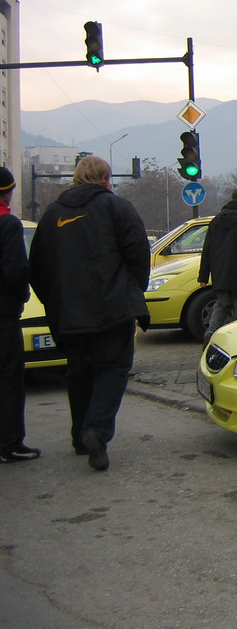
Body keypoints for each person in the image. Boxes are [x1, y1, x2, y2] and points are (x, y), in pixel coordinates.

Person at [29, 156, 150, 471]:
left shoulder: (52, 215)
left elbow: (37, 268)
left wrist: (55, 303)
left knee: (79, 372)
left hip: (68, 314)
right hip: (112, 310)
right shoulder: (117, 208)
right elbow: (139, 253)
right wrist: (132, 291)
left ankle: (80, 436)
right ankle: (96, 430)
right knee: (113, 369)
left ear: (76, 179)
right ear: (107, 179)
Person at [0, 168, 39, 464]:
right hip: (3, 315)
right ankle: (10, 443)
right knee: (10, 378)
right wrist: (23, 294)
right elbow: (14, 270)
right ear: (7, 192)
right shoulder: (8, 225)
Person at [198, 187, 237, 346]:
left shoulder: (216, 220)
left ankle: (211, 332)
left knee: (221, 304)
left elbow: (207, 249)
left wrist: (203, 275)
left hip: (220, 273)